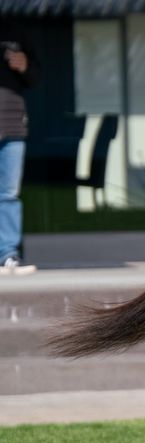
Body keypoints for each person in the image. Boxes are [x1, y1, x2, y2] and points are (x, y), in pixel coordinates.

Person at [0, 20, 39, 275]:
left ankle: (7, 256)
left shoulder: (15, 32)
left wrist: (25, 66)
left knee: (8, 194)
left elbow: (36, 76)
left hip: (13, 124)